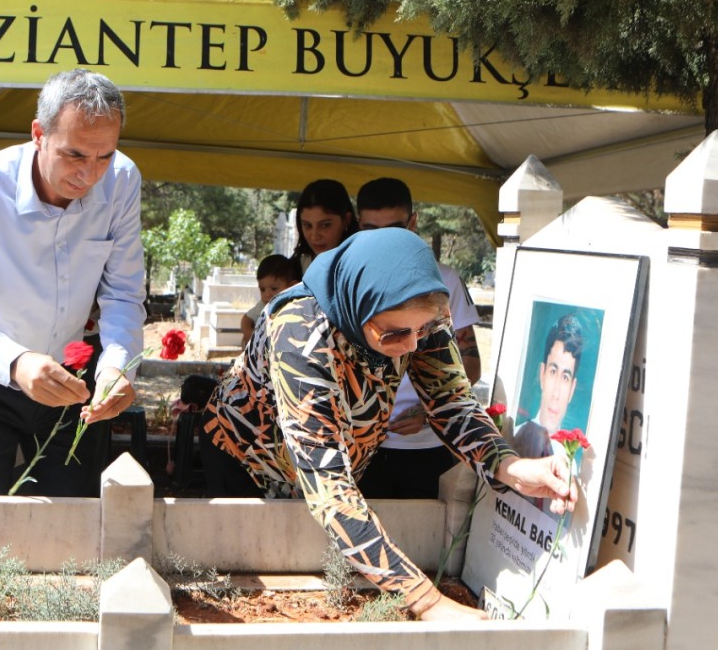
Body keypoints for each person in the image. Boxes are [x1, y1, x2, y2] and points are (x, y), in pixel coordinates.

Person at [200, 228, 576, 620]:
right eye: (396, 334)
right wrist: (426, 601)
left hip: (334, 456)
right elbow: (328, 486)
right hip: (248, 460)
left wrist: (510, 466)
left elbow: (450, 400)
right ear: (359, 307)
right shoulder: (300, 330)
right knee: (261, 573)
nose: (413, 347)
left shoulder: (416, 313)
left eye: (424, 331)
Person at [0, 68, 146, 497]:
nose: (90, 174)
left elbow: (123, 292)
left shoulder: (122, 178)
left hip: (73, 375)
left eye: (104, 155)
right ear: (38, 134)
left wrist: (116, 366)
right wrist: (16, 362)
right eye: (75, 155)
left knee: (71, 522)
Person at [354, 177, 483, 499]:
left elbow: (470, 363)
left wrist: (429, 410)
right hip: (358, 446)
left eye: (394, 230)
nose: (383, 242)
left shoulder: (445, 280)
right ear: (357, 226)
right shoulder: (346, 281)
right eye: (371, 231)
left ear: (413, 223)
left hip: (425, 446)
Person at [512, 313, 585, 460]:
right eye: (553, 371)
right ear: (542, 374)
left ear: (572, 389)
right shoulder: (512, 440)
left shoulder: (570, 466)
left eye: (565, 377)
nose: (556, 394)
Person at [291, 179, 357, 272]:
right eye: (307, 225)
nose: (315, 236)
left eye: (325, 225)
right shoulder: (291, 271)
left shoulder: (361, 267)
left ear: (346, 220)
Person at [240, 254, 301, 347]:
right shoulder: (263, 306)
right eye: (262, 289)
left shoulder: (297, 307)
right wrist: (250, 335)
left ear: (292, 286)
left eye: (274, 288)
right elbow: (246, 319)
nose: (267, 294)